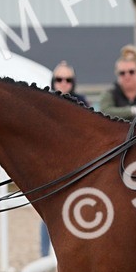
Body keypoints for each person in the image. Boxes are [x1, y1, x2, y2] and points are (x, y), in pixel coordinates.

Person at [42, 61, 89, 256]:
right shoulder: (44, 103)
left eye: (68, 80)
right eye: (59, 79)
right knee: (48, 211)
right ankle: (45, 255)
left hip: (77, 164)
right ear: (53, 81)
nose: (63, 83)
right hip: (51, 165)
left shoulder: (82, 103)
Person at [98, 46, 136, 121]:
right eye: (122, 73)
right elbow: (105, 112)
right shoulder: (110, 93)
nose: (127, 76)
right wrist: (133, 111)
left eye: (131, 72)